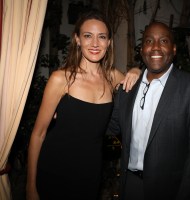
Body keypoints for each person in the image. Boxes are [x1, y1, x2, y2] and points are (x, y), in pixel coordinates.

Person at [26, 10, 140, 200]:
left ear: (109, 42)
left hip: (90, 173)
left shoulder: (113, 77)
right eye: (88, 36)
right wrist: (30, 187)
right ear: (77, 39)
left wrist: (136, 70)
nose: (95, 44)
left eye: (101, 37)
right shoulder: (60, 79)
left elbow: (146, 84)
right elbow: (38, 134)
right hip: (54, 168)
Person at [108, 21, 190, 200]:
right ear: (142, 50)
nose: (155, 47)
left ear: (174, 49)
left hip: (171, 191)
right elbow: (110, 127)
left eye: (163, 41)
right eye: (149, 41)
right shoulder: (127, 88)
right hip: (130, 186)